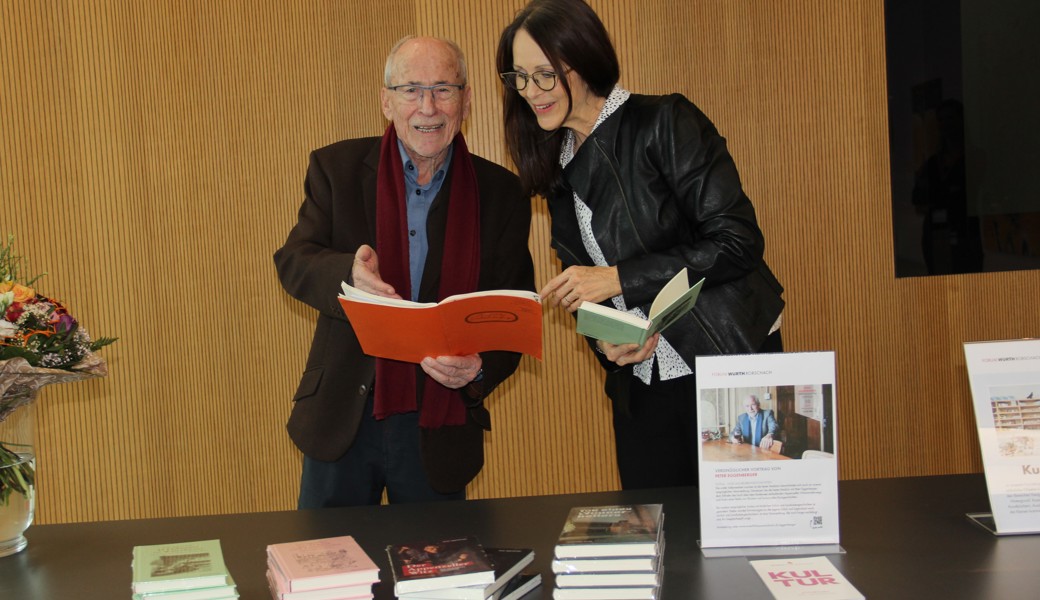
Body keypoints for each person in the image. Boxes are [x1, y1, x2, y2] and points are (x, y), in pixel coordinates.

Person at [496, 0, 784, 489]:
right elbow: (581, 291)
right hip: (642, 379)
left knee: (751, 536)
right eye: (519, 77)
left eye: (544, 74)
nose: (530, 92)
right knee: (656, 539)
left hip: (729, 361)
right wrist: (607, 338)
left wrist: (618, 278)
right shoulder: (557, 169)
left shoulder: (664, 121)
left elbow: (737, 241)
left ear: (583, 62)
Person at [274, 35, 535, 508]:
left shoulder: (502, 193)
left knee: (438, 577)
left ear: (467, 99)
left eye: (443, 89)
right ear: (387, 101)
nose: (428, 107)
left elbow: (513, 313)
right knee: (333, 576)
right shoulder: (337, 168)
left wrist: (478, 367)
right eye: (411, 90)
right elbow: (294, 260)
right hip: (342, 418)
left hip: (439, 425)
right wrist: (347, 275)